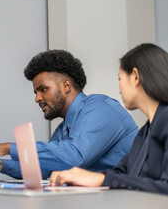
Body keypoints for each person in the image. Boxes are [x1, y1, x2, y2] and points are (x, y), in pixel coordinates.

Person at [0, 50, 138, 178]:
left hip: (129, 198)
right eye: (35, 93)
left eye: (43, 89)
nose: (37, 98)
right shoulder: (63, 129)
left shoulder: (100, 108)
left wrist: (6, 148)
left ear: (66, 86)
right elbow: (47, 169)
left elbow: (74, 157)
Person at [49, 43, 168, 194]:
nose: (119, 88)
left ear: (136, 77)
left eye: (120, 78)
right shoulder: (145, 132)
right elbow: (121, 174)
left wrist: (101, 179)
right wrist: (84, 177)